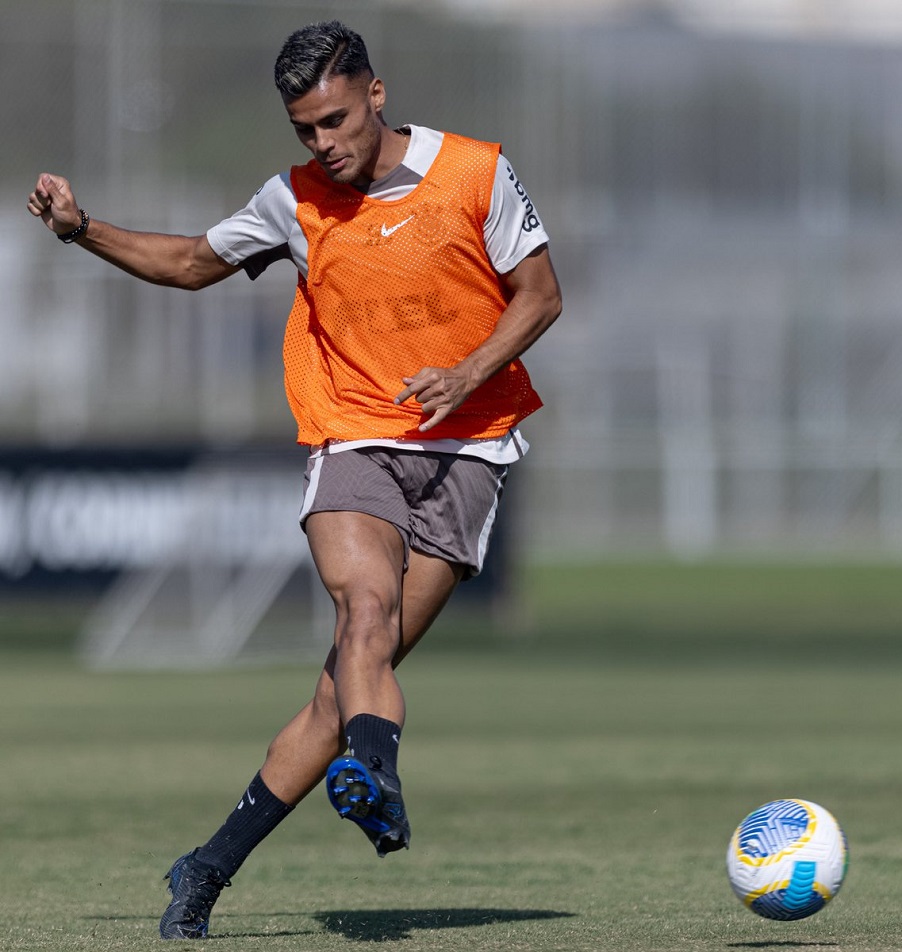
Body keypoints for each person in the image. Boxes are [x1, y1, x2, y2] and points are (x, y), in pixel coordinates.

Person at [28, 19, 561, 941]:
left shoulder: (475, 172)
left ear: (377, 94)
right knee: (364, 614)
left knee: (343, 686)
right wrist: (81, 231)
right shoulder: (293, 201)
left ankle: (207, 865)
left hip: (471, 447)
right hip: (353, 435)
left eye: (337, 121)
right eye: (306, 130)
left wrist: (467, 373)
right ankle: (375, 776)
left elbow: (541, 296)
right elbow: (193, 263)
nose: (325, 144)